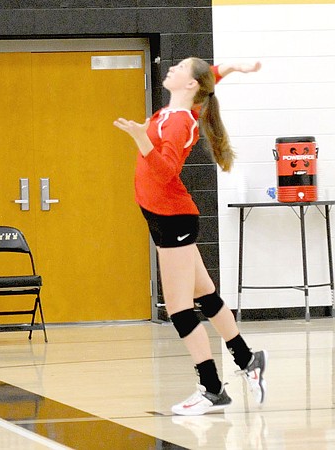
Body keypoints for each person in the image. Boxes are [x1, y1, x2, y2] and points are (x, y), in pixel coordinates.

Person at [114, 59, 266, 416]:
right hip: (163, 216)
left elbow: (167, 172)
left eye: (180, 67)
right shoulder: (177, 110)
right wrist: (232, 68)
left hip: (172, 218)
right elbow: (207, 77)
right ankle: (248, 359)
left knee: (180, 308)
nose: (171, 68)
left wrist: (141, 140)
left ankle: (213, 389)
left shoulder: (181, 121)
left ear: (191, 85)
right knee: (207, 297)